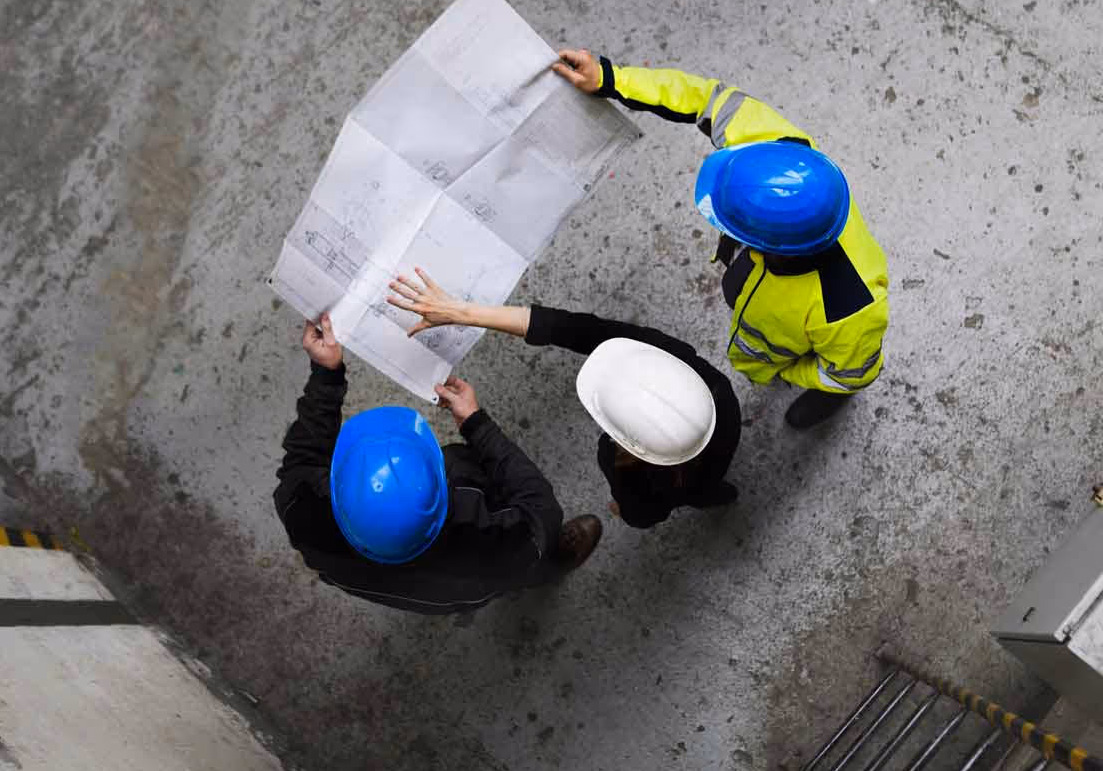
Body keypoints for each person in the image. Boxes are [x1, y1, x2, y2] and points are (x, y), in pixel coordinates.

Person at [549, 48, 890, 429]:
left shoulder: (850, 309)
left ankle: (831, 402)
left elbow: (851, 370)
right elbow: (706, 98)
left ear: (767, 245)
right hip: (761, 297)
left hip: (794, 347)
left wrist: (794, 372)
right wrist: (612, 79)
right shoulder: (780, 149)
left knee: (838, 381)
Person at [273, 314, 601, 614]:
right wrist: (476, 425)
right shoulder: (491, 542)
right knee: (525, 561)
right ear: (441, 499)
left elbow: (302, 457)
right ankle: (551, 566)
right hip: (477, 579)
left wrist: (326, 372)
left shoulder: (303, 514)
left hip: (421, 594)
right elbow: (542, 510)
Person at [385, 268, 742, 527]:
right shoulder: (716, 394)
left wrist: (622, 507)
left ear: (628, 446)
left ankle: (709, 494)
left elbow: (641, 516)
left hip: (673, 486)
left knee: (693, 492)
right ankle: (715, 494)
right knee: (704, 489)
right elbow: (574, 329)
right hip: (704, 469)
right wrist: (460, 312)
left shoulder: (622, 466)